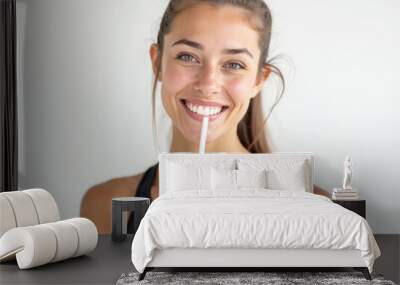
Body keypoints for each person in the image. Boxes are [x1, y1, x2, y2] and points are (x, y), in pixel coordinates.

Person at [80, 0, 330, 234]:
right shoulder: (104, 204)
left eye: (234, 64)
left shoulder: (313, 206)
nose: (208, 84)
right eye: (187, 57)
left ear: (258, 80)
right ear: (157, 64)